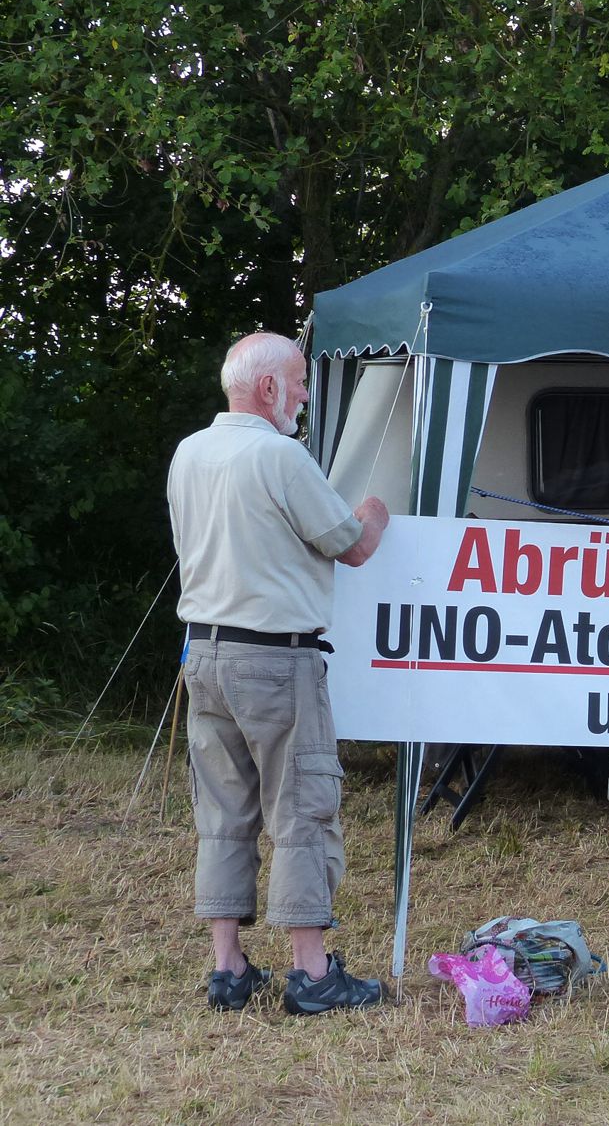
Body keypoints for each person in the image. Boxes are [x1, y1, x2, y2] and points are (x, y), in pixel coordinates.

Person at [168, 332, 391, 1012]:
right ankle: (312, 973)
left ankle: (228, 968)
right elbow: (352, 546)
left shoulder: (188, 452)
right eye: (297, 381)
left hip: (202, 654)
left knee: (223, 813)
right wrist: (377, 509)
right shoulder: (281, 455)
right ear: (266, 387)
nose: (302, 393)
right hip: (275, 657)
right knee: (301, 808)